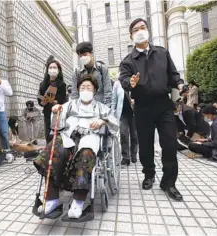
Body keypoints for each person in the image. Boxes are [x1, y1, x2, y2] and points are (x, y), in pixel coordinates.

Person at [33, 74, 119, 219]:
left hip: (89, 137)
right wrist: (56, 112)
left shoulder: (101, 107)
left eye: (89, 87)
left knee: (86, 154)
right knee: (53, 149)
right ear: (78, 90)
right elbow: (57, 125)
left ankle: (78, 203)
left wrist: (102, 121)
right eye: (83, 87)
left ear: (95, 90)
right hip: (69, 137)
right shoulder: (70, 105)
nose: (85, 90)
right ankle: (52, 199)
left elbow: (115, 122)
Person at [119, 18, 184, 201]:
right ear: (131, 35)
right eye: (136, 29)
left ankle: (169, 182)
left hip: (164, 105)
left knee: (170, 143)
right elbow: (124, 80)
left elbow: (173, 74)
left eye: (143, 27)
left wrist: (179, 84)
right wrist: (130, 83)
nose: (140, 31)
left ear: (148, 30)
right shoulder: (128, 61)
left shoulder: (162, 53)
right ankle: (149, 174)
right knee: (145, 145)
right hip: (142, 106)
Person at [70, 42, 112, 107]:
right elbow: (74, 94)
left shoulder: (102, 69)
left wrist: (106, 109)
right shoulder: (77, 73)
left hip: (100, 107)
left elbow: (108, 92)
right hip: (83, 109)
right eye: (80, 56)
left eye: (85, 54)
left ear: (92, 53)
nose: (83, 57)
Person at [37, 60, 67, 143]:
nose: (52, 69)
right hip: (47, 114)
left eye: (54, 67)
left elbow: (63, 100)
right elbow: (39, 98)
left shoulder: (62, 84)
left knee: (57, 137)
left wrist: (55, 102)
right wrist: (43, 102)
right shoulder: (42, 84)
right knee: (48, 137)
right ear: (47, 70)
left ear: (58, 70)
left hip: (58, 115)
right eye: (50, 67)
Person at [112, 79, 138, 165]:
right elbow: (114, 99)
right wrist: (112, 112)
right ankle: (125, 157)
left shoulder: (135, 80)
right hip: (122, 113)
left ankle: (134, 154)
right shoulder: (117, 83)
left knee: (134, 135)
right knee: (123, 134)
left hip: (134, 113)